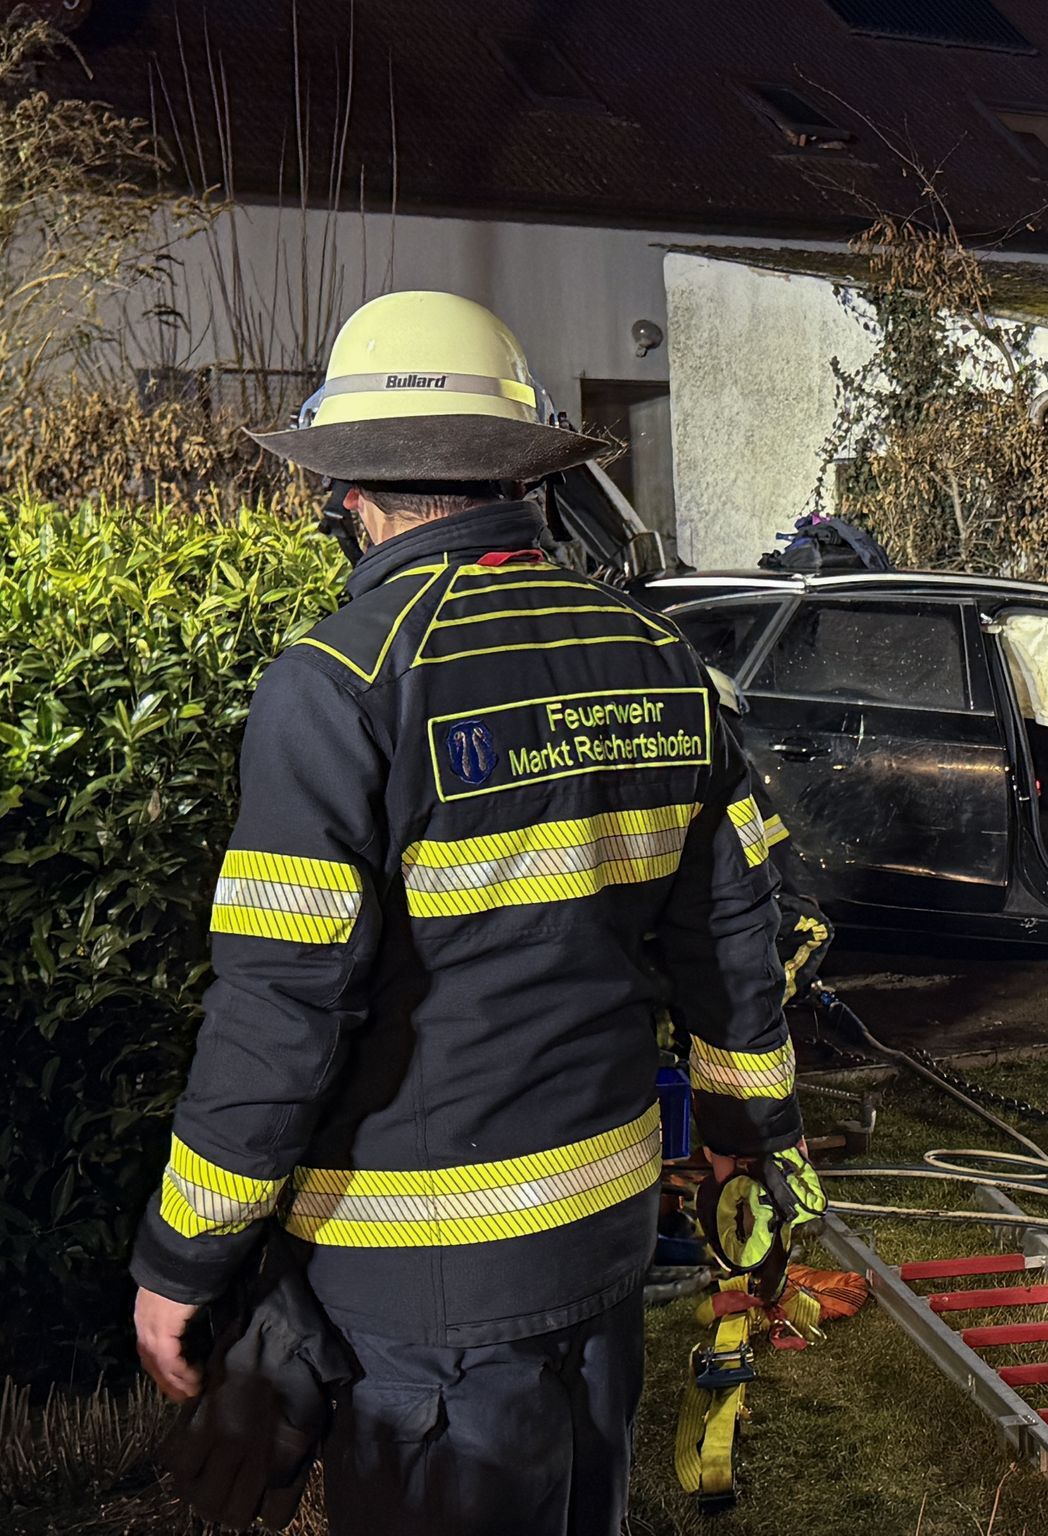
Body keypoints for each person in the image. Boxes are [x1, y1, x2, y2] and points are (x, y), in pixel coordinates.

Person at [129, 291, 809, 1535]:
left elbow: (280, 1008)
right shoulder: (661, 662)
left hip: (421, 1294)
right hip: (602, 1240)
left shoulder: (340, 684)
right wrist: (744, 1142)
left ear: (349, 494)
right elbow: (731, 946)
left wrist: (182, 1260)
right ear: (524, 476)